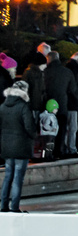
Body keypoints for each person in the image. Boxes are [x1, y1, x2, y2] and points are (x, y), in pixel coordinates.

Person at [1, 79, 37, 212]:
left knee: (8, 176)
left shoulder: (3, 106)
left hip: (7, 146)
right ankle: (14, 207)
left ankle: (3, 206)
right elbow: (29, 127)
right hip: (21, 146)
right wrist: (34, 134)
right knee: (18, 178)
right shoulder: (23, 106)